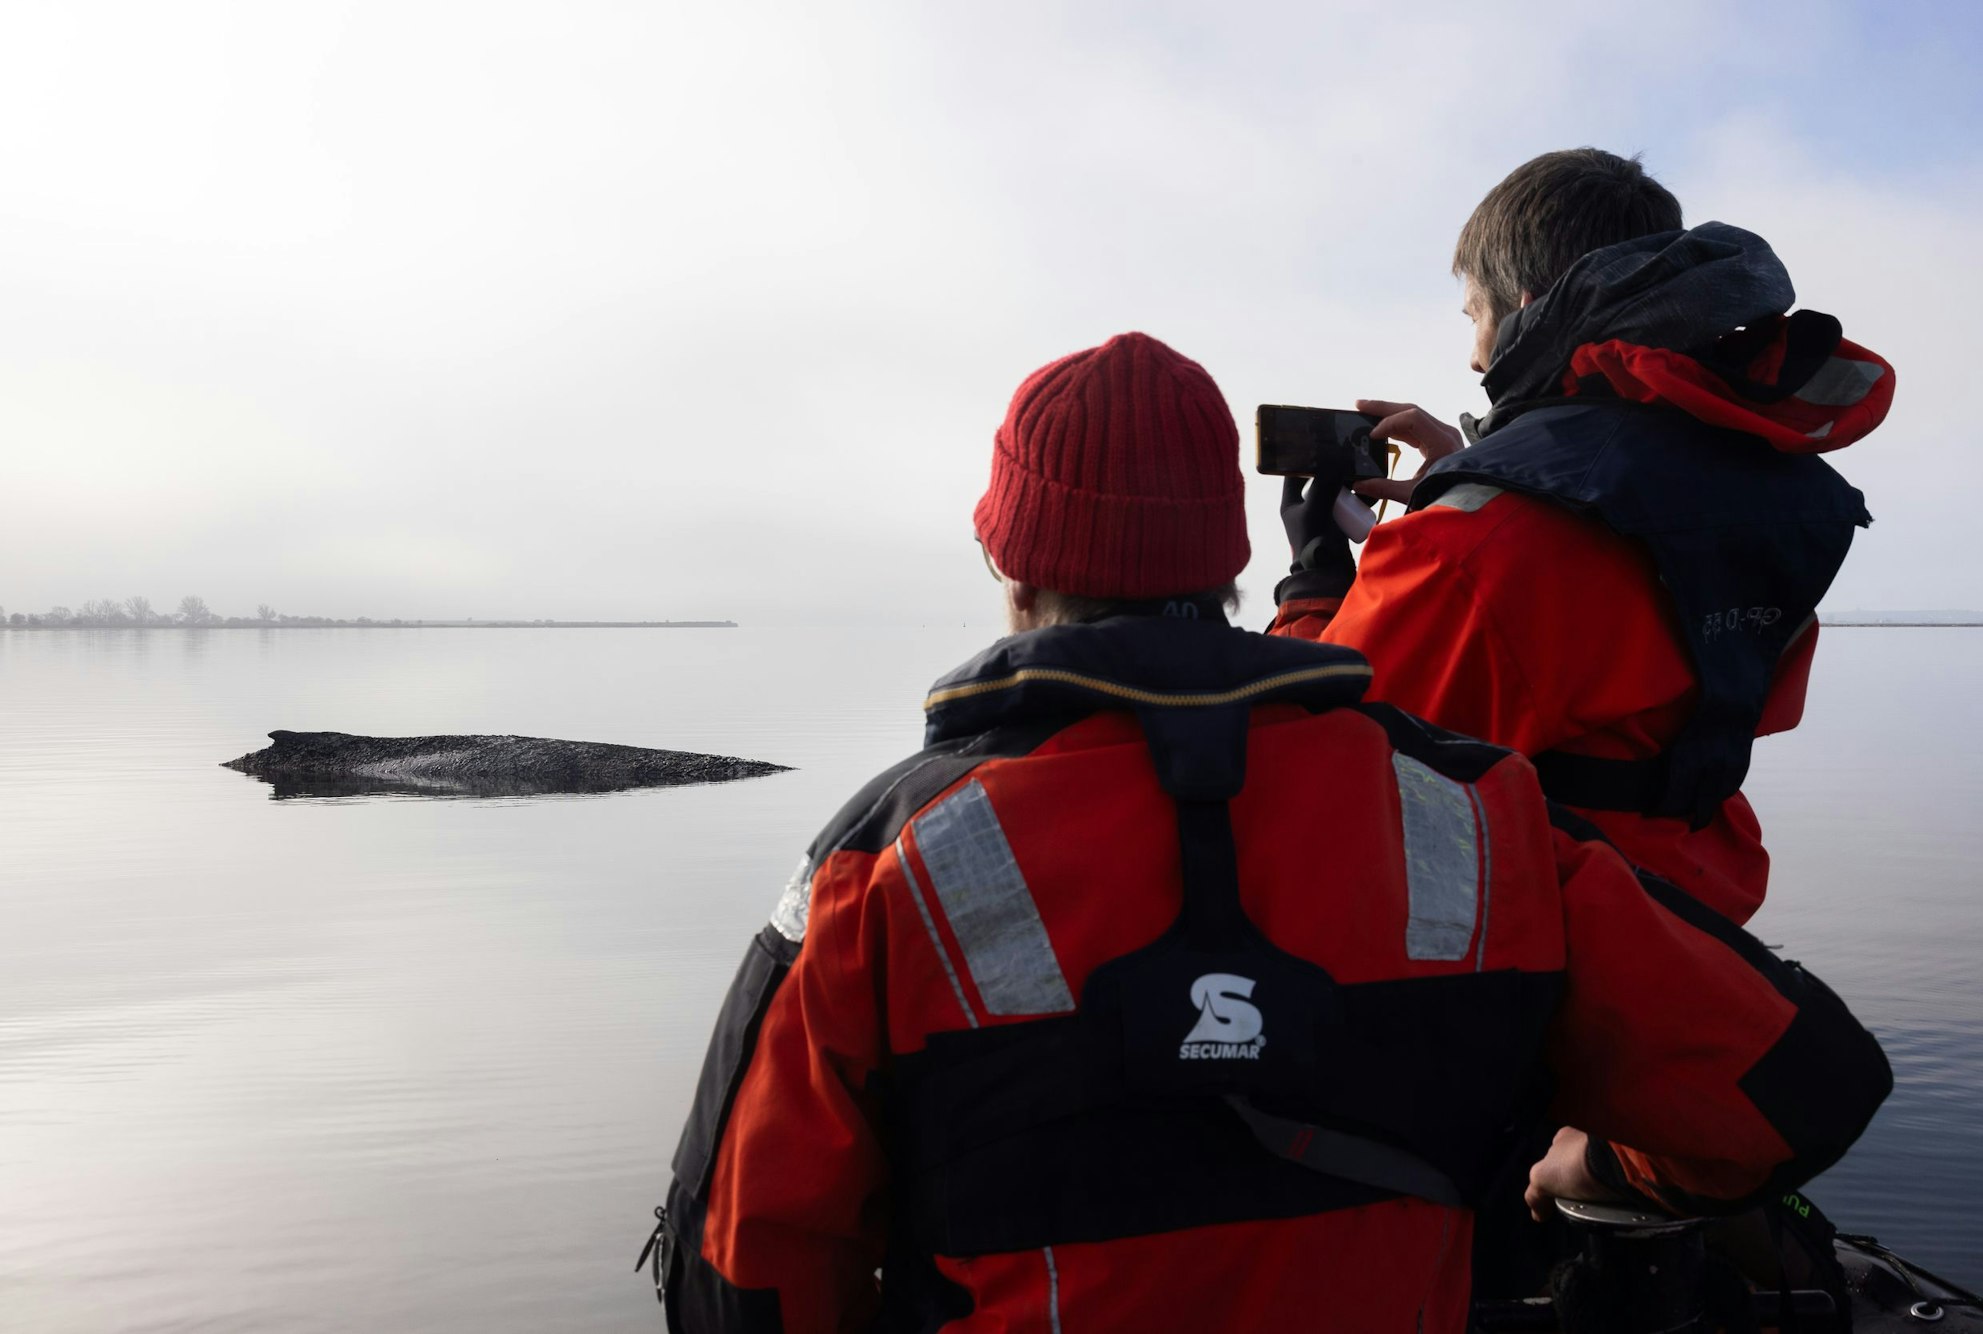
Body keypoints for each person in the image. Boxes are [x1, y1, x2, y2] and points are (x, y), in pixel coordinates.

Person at [640, 332, 1890, 1332]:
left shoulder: (883, 862)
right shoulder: (1482, 821)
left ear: (1011, 566)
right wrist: (1597, 1170)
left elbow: (739, 1271)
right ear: (1225, 566)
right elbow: (1801, 1089)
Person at [1272, 148, 1894, 927]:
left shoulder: (1474, 543)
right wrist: (1474, 473)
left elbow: (1317, 764)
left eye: (1473, 315)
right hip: (1695, 921)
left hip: (1542, 937)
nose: (1472, 355)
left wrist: (1313, 585)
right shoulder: (1763, 479)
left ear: (1526, 305)